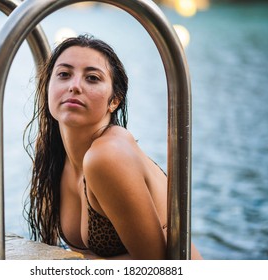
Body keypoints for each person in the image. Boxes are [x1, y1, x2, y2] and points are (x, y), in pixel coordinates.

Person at [24, 34, 202, 260]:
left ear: (115, 100)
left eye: (92, 78)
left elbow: (155, 266)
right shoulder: (54, 158)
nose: (75, 86)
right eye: (64, 75)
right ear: (47, 87)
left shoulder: (107, 155)